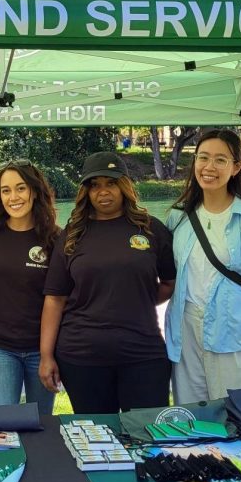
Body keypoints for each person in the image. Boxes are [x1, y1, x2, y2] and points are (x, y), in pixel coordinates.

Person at [39, 152, 176, 413]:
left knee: (147, 438)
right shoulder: (72, 235)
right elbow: (55, 298)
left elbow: (169, 283)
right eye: (95, 185)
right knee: (100, 442)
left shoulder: (150, 229)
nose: (103, 192)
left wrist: (133, 299)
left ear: (124, 185)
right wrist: (46, 356)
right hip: (82, 356)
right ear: (86, 192)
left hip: (143, 353)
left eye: (110, 183)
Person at [163, 128, 241, 404]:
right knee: (192, 415)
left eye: (220, 160)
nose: (209, 167)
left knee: (237, 415)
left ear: (236, 167)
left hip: (234, 331)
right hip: (186, 331)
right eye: (203, 158)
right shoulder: (178, 218)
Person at [0, 160, 60, 414]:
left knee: (40, 425)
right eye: (5, 190)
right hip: (2, 349)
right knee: (0, 423)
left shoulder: (54, 238)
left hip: (42, 350)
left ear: (34, 190)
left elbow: (62, 300)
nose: (13, 197)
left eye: (20, 188)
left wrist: (49, 355)